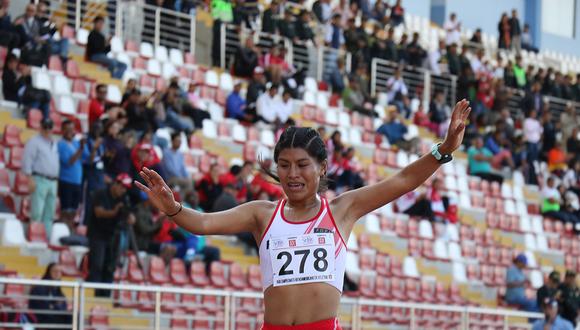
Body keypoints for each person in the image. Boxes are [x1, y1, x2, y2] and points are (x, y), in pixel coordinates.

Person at [136, 99, 471, 329]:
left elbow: (402, 180)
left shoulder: (343, 209)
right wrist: (174, 209)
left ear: (322, 168)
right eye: (284, 166)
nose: (292, 174)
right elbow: (205, 222)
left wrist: (442, 151)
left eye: (301, 165)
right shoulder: (262, 215)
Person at [87, 173, 133, 297]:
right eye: (121, 186)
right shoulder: (101, 193)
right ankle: (93, 294)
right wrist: (114, 212)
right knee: (97, 264)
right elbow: (99, 213)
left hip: (113, 235)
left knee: (110, 266)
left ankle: (105, 296)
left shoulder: (123, 198)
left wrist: (129, 217)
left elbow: (129, 214)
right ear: (115, 183)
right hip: (98, 234)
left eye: (125, 188)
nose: (123, 190)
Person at [22, 117, 59, 235]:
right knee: (37, 212)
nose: (47, 130)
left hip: (53, 180)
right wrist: (29, 178)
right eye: (45, 127)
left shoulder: (54, 143)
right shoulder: (34, 141)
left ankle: (46, 237)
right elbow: (27, 160)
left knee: (49, 213)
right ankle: (33, 236)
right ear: (41, 127)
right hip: (40, 178)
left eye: (49, 127)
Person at [57, 120, 85, 229]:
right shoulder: (60, 144)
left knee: (74, 211)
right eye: (67, 129)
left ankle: (70, 232)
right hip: (66, 181)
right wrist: (81, 148)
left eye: (72, 129)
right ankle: (62, 231)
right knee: (66, 211)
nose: (70, 132)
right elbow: (69, 162)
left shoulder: (76, 142)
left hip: (77, 182)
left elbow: (87, 158)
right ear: (62, 130)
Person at [28, 263, 72, 329]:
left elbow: (63, 305)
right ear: (48, 272)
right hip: (41, 318)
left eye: (60, 272)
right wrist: (56, 306)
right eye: (55, 271)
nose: (57, 273)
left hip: (54, 316)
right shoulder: (39, 287)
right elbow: (44, 308)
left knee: (73, 317)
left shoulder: (58, 289)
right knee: (64, 320)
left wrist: (53, 306)